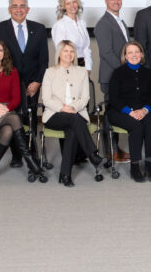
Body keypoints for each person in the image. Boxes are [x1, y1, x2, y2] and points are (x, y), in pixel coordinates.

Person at [0, 40, 44, 188]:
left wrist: (4, 108)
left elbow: (16, 99)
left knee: (9, 129)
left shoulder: (12, 72)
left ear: (4, 54)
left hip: (6, 112)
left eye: (0, 50)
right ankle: (29, 160)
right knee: (15, 119)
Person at [0, 0, 50, 167]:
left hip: (32, 84)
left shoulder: (38, 29)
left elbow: (43, 60)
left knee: (30, 118)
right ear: (9, 10)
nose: (19, 9)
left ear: (28, 9)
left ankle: (32, 153)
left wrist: (38, 81)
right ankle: (17, 155)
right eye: (14, 6)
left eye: (22, 6)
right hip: (8, 84)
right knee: (12, 118)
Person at [41, 40, 107, 187]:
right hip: (54, 114)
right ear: (59, 53)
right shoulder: (50, 72)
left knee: (72, 130)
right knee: (75, 121)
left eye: (72, 51)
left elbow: (85, 98)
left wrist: (73, 108)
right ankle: (93, 155)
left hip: (76, 114)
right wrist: (63, 108)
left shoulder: (81, 72)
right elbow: (46, 98)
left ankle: (65, 175)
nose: (69, 54)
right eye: (66, 51)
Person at [106, 40, 151, 183]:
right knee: (136, 126)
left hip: (145, 110)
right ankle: (135, 167)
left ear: (142, 54)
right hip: (120, 111)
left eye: (137, 52)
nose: (134, 55)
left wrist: (144, 110)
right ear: (125, 56)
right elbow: (114, 98)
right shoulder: (118, 73)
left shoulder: (149, 74)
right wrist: (130, 112)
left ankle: (149, 165)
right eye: (130, 52)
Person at [93, 0, 133, 163]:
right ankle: (110, 151)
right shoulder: (103, 23)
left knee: (117, 112)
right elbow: (107, 53)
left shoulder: (120, 21)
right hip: (111, 77)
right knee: (110, 114)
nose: (116, 2)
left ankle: (115, 149)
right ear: (106, 1)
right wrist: (126, 70)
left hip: (122, 77)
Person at [52, 0, 92, 71]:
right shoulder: (60, 25)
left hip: (83, 65)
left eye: (74, 2)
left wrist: (88, 69)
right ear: (64, 6)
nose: (72, 5)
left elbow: (86, 48)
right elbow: (61, 52)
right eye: (68, 3)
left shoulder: (82, 23)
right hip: (69, 66)